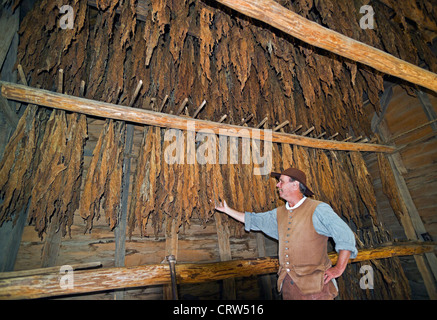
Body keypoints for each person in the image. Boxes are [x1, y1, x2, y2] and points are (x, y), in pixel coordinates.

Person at [214, 167, 357, 300]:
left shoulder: (318, 209)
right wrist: (227, 210)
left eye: (281, 182)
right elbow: (254, 220)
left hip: (316, 289)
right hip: (289, 288)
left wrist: (338, 269)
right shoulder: (279, 213)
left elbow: (345, 236)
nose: (277, 185)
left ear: (295, 185)